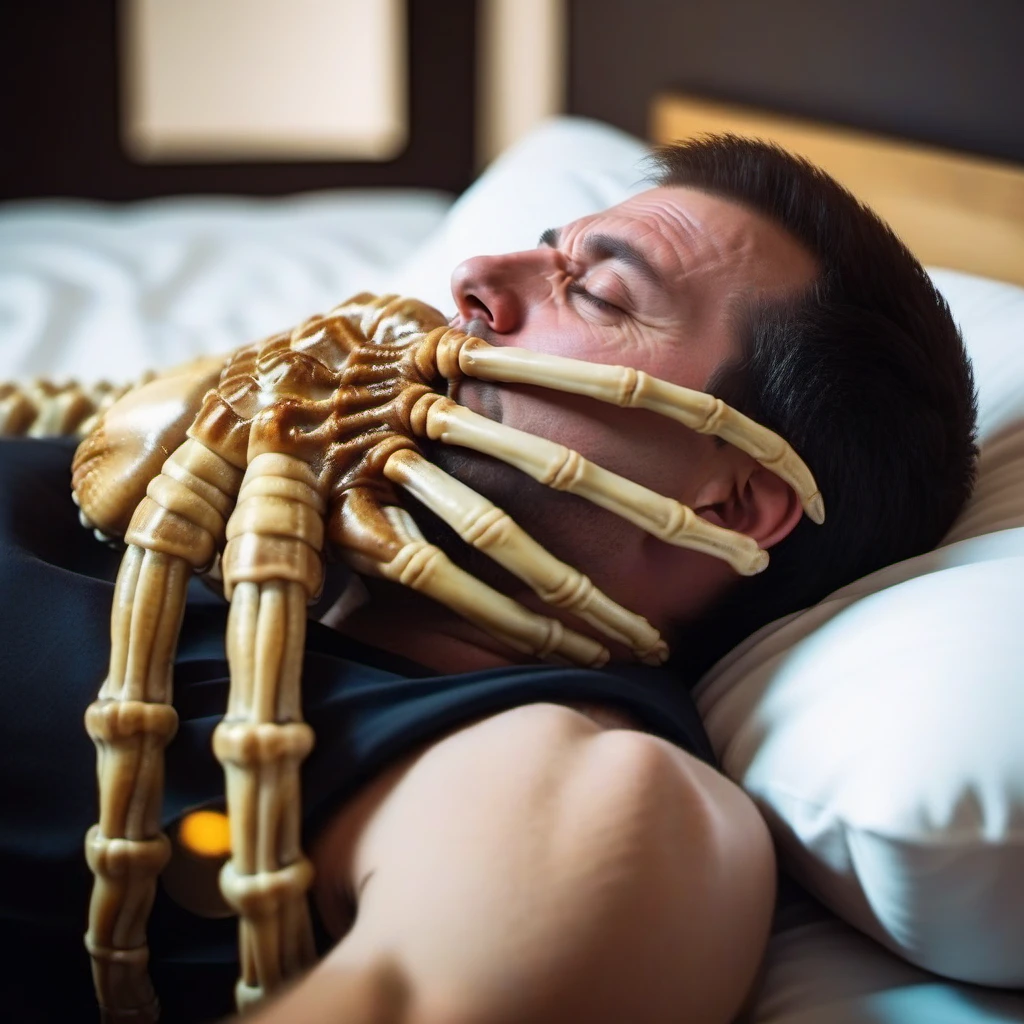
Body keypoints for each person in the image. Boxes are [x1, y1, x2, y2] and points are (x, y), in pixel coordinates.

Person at [0, 136, 976, 1024]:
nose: (470, 276)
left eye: (595, 293)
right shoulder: (211, 465)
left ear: (725, 506)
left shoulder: (574, 784)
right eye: (546, 250)